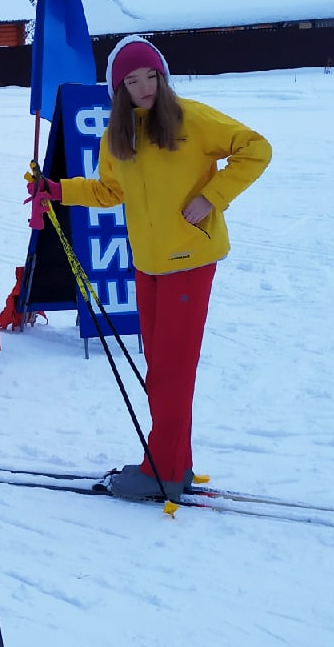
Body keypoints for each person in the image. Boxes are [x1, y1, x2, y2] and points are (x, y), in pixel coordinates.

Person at [36, 35, 271, 503]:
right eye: (132, 80)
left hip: (190, 261)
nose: (144, 87)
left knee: (172, 372)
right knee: (162, 369)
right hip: (148, 264)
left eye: (151, 76)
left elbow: (256, 148)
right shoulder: (117, 137)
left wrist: (211, 197)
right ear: (117, 89)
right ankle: (175, 463)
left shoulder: (192, 120)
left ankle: (161, 471)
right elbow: (110, 191)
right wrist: (58, 190)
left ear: (163, 77)